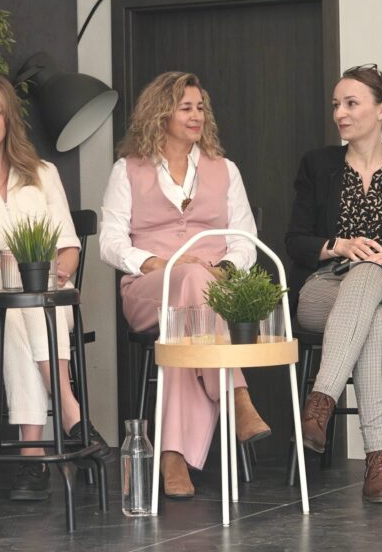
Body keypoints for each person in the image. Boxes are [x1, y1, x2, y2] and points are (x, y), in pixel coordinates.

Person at [0, 75, 110, 502]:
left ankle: (32, 456)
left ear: (9, 118)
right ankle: (69, 409)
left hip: (44, 300)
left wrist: (51, 273)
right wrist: (20, 268)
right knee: (25, 285)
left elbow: (69, 249)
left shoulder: (43, 175)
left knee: (23, 304)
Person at [99, 71, 270, 499]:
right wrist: (158, 263)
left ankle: (172, 455)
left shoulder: (225, 170)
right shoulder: (127, 170)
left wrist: (222, 270)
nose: (196, 116)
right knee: (188, 283)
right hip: (148, 290)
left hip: (212, 290)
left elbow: (244, 241)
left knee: (183, 329)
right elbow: (110, 243)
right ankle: (236, 395)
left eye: (200, 108)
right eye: (185, 107)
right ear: (160, 114)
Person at [285, 63, 382, 503]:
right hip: (325, 288)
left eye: (351, 103)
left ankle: (320, 402)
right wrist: (339, 245)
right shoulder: (317, 165)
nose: (340, 113)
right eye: (336, 104)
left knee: (371, 273)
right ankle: (379, 461)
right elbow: (295, 241)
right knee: (373, 321)